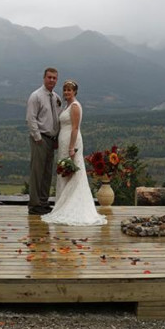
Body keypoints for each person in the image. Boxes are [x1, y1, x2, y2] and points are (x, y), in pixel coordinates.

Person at [42, 80, 106, 226]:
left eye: (69, 90)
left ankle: (72, 205)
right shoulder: (67, 106)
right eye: (65, 90)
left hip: (72, 142)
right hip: (64, 141)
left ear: (75, 92)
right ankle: (63, 203)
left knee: (73, 172)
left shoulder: (75, 106)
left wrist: (71, 147)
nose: (66, 92)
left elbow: (75, 128)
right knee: (64, 171)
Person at [26, 67, 62, 215]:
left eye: (54, 78)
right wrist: (38, 138)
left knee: (47, 173)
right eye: (49, 77)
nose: (52, 80)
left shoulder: (56, 97)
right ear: (44, 78)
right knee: (37, 172)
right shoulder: (36, 96)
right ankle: (34, 205)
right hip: (40, 139)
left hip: (52, 140)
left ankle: (43, 202)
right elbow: (30, 118)